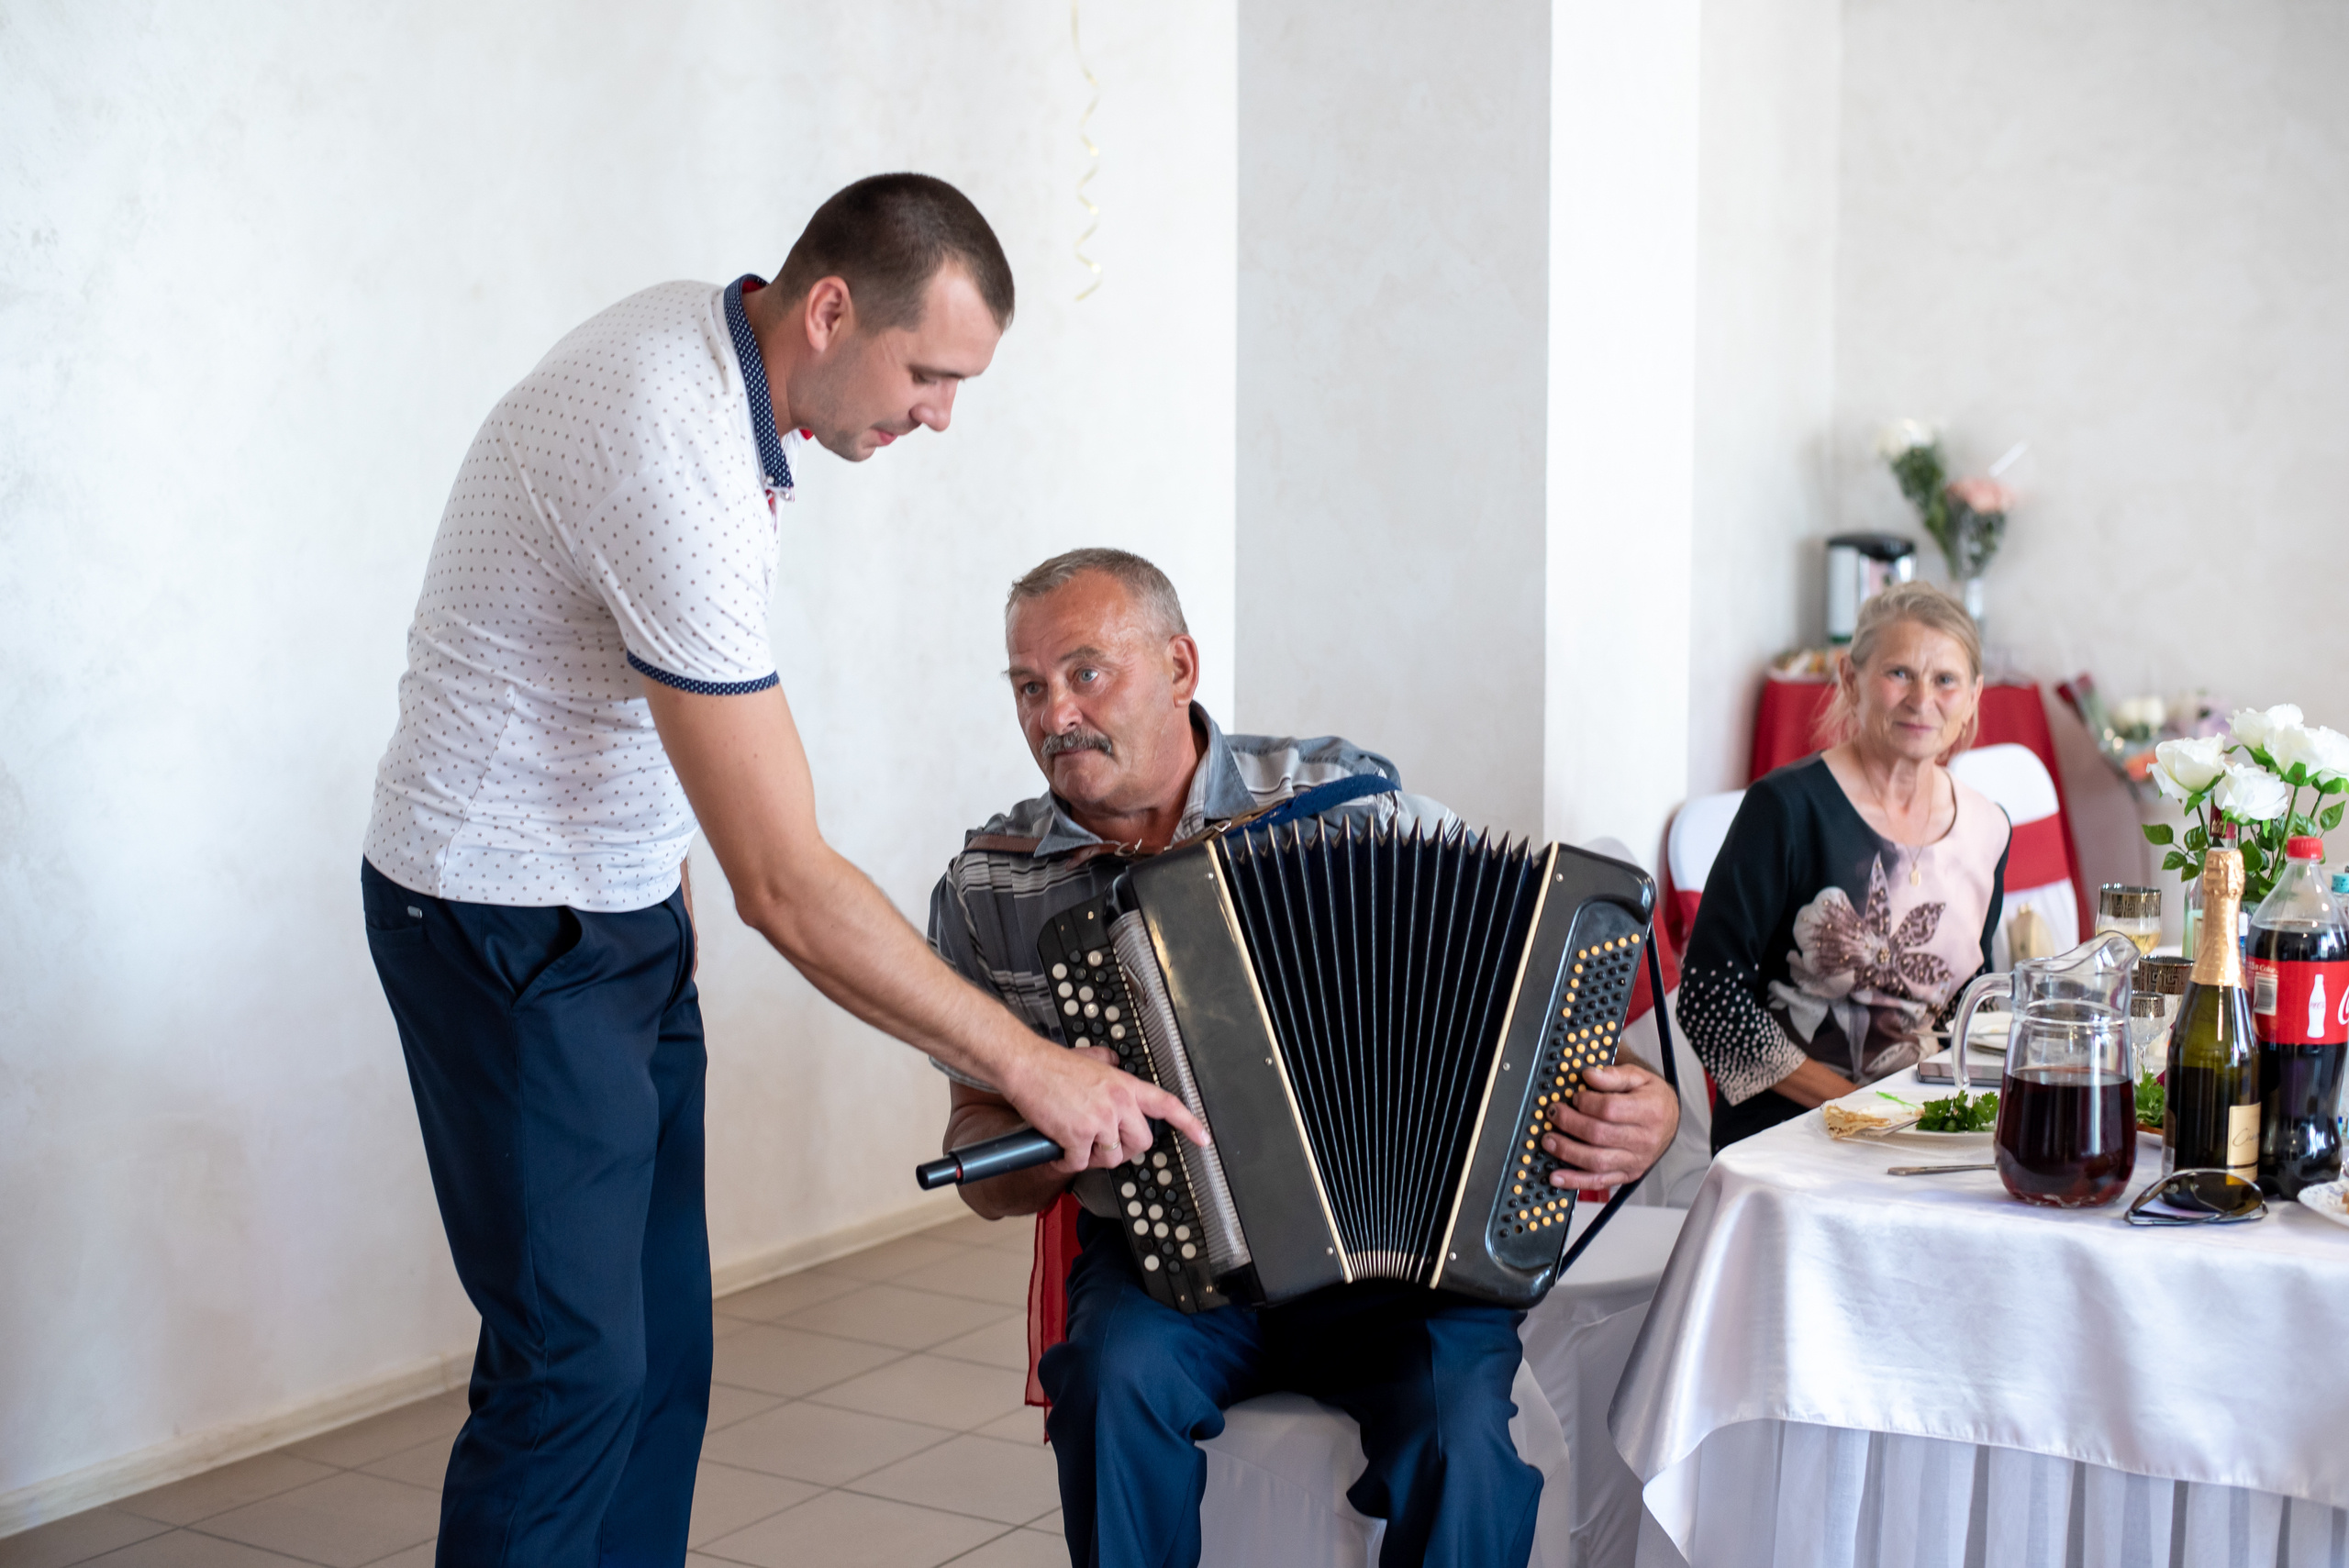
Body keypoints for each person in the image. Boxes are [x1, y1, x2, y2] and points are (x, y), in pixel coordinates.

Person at [359, 177, 1204, 1568]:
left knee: (662, 1362)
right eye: (931, 373)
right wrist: (1036, 1068)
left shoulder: (716, 357)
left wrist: (656, 892)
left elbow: (641, 703)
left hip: (619, 911)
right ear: (830, 310)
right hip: (501, 921)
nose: (941, 414)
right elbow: (790, 882)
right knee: (572, 1376)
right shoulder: (669, 443)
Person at [929, 548, 1681, 1568]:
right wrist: (1056, 1144)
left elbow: (1523, 1028)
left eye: (1085, 670)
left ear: (1181, 665)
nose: (1053, 712)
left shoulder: (1342, 802)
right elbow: (977, 1146)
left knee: (1460, 1437)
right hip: (1168, 1265)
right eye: (1028, 685)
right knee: (1107, 1386)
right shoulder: (989, 885)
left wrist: (1644, 1113)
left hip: (1401, 1276)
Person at [1680, 582, 2010, 1152]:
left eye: (1946, 680)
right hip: (1791, 1139)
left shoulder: (1989, 829)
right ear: (1849, 679)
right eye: (1899, 673)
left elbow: (1970, 1004)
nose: (1921, 699)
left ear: (1975, 695)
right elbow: (1709, 1000)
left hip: (1928, 1136)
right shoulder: (1786, 809)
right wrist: (1862, 1111)